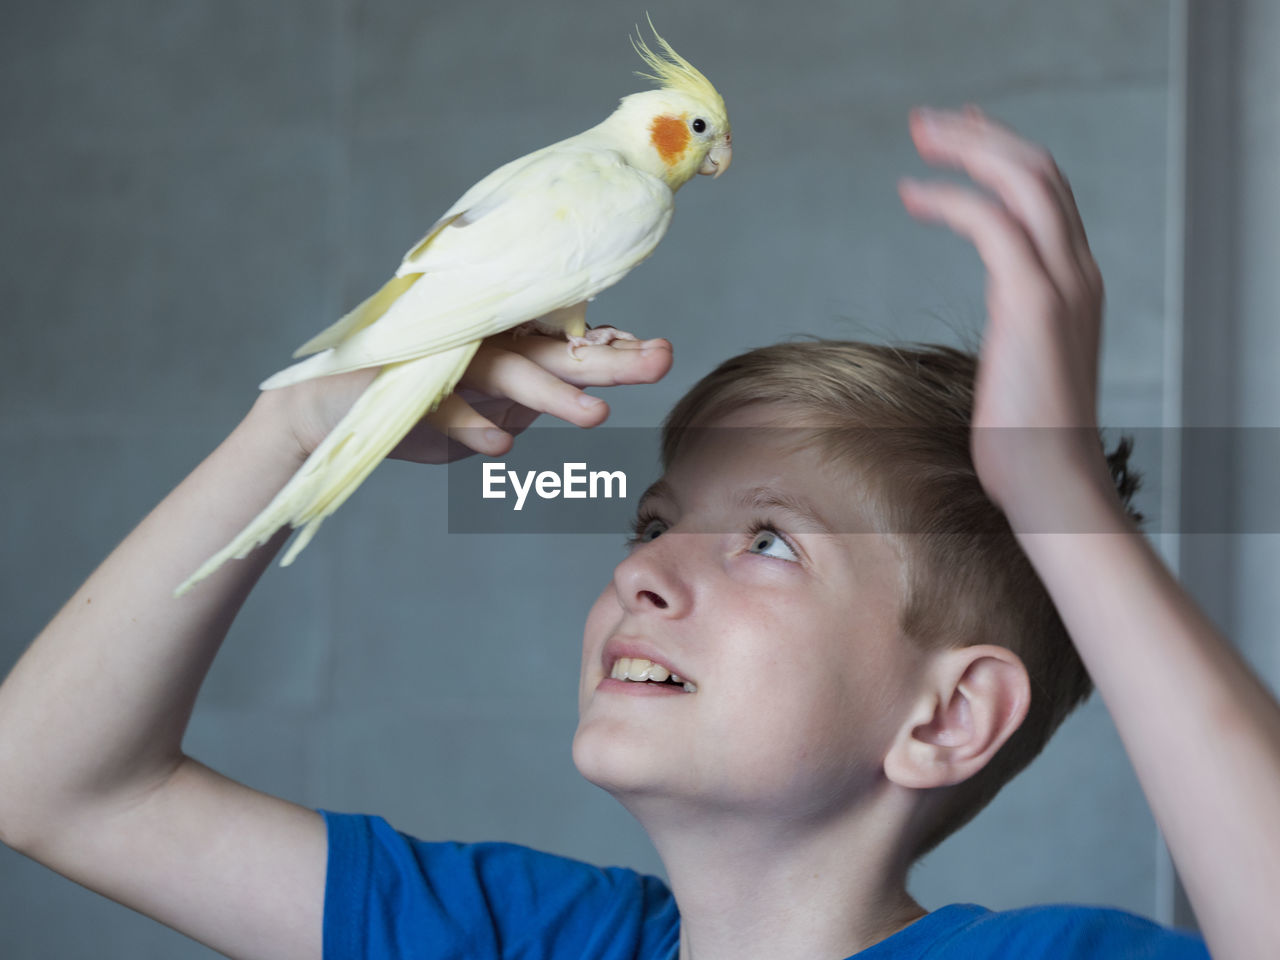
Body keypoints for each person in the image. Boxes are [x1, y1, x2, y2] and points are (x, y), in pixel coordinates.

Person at [0, 107, 1274, 960]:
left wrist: (1056, 507)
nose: (641, 570)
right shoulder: (521, 937)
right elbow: (52, 783)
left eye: (767, 542)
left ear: (942, 719)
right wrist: (297, 431)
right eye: (652, 520)